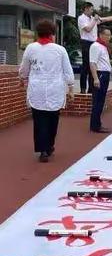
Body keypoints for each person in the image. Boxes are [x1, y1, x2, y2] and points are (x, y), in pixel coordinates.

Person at [19, 19, 74, 162]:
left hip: (36, 89)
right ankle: (49, 145)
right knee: (52, 119)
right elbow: (67, 70)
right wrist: (71, 87)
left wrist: (22, 78)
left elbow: (24, 68)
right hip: (55, 89)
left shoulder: (31, 48)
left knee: (39, 120)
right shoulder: (60, 50)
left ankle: (42, 150)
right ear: (52, 33)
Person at [78, 2, 112, 94]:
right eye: (91, 9)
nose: (93, 11)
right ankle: (83, 88)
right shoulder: (81, 18)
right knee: (86, 66)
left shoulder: (93, 18)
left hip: (94, 42)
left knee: (93, 67)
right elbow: (88, 29)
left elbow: (106, 19)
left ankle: (91, 88)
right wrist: (94, 20)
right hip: (86, 43)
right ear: (86, 9)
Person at [89, 26, 112, 133]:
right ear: (101, 35)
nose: (109, 37)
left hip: (105, 74)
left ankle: (97, 123)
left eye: (110, 35)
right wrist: (95, 78)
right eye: (107, 35)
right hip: (100, 74)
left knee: (101, 101)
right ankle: (95, 126)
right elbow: (92, 62)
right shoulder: (96, 46)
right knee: (97, 101)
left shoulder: (103, 46)